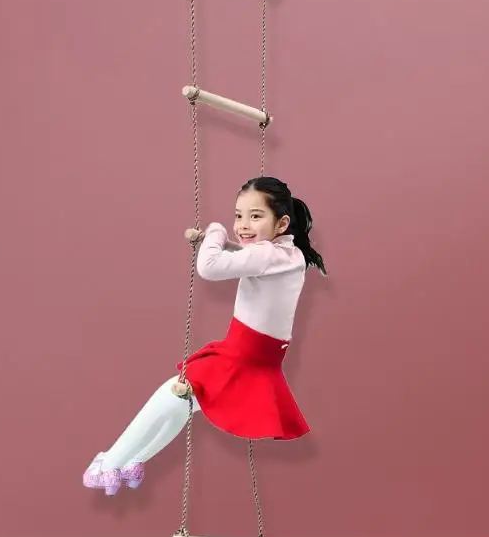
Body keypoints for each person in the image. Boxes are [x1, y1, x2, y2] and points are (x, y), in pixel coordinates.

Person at [82, 176, 326, 496]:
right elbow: (252, 256)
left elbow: (209, 268)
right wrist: (228, 243)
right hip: (262, 356)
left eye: (255, 216)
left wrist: (215, 231)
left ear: (281, 223)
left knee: (173, 393)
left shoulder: (266, 254)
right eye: (238, 216)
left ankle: (108, 461)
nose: (242, 224)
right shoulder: (289, 253)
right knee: (183, 404)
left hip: (241, 352)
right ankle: (133, 460)